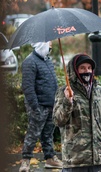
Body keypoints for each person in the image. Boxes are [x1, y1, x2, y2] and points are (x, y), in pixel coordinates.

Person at [53, 53, 101, 171]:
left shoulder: (100, 92)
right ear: (75, 70)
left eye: (89, 68)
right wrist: (67, 101)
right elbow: (57, 121)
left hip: (98, 158)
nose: (87, 71)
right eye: (82, 68)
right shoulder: (64, 91)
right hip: (75, 160)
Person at [19, 41, 63, 172]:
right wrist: (35, 107)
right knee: (33, 134)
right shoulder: (30, 61)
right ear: (41, 44)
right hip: (38, 106)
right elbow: (27, 87)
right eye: (49, 42)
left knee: (47, 134)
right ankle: (25, 161)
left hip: (50, 104)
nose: (51, 45)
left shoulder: (47, 60)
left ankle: (50, 159)